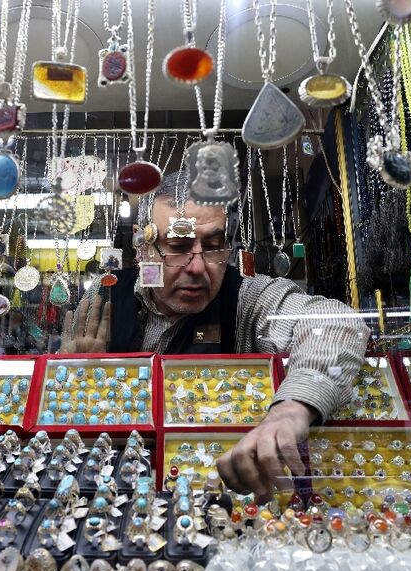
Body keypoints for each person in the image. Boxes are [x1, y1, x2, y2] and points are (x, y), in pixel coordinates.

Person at [61, 173, 371, 503]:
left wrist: (292, 410)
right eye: (177, 247)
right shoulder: (106, 296)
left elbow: (335, 323)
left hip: (216, 491)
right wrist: (81, 380)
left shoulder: (246, 298)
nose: (197, 267)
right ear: (142, 246)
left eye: (212, 246)